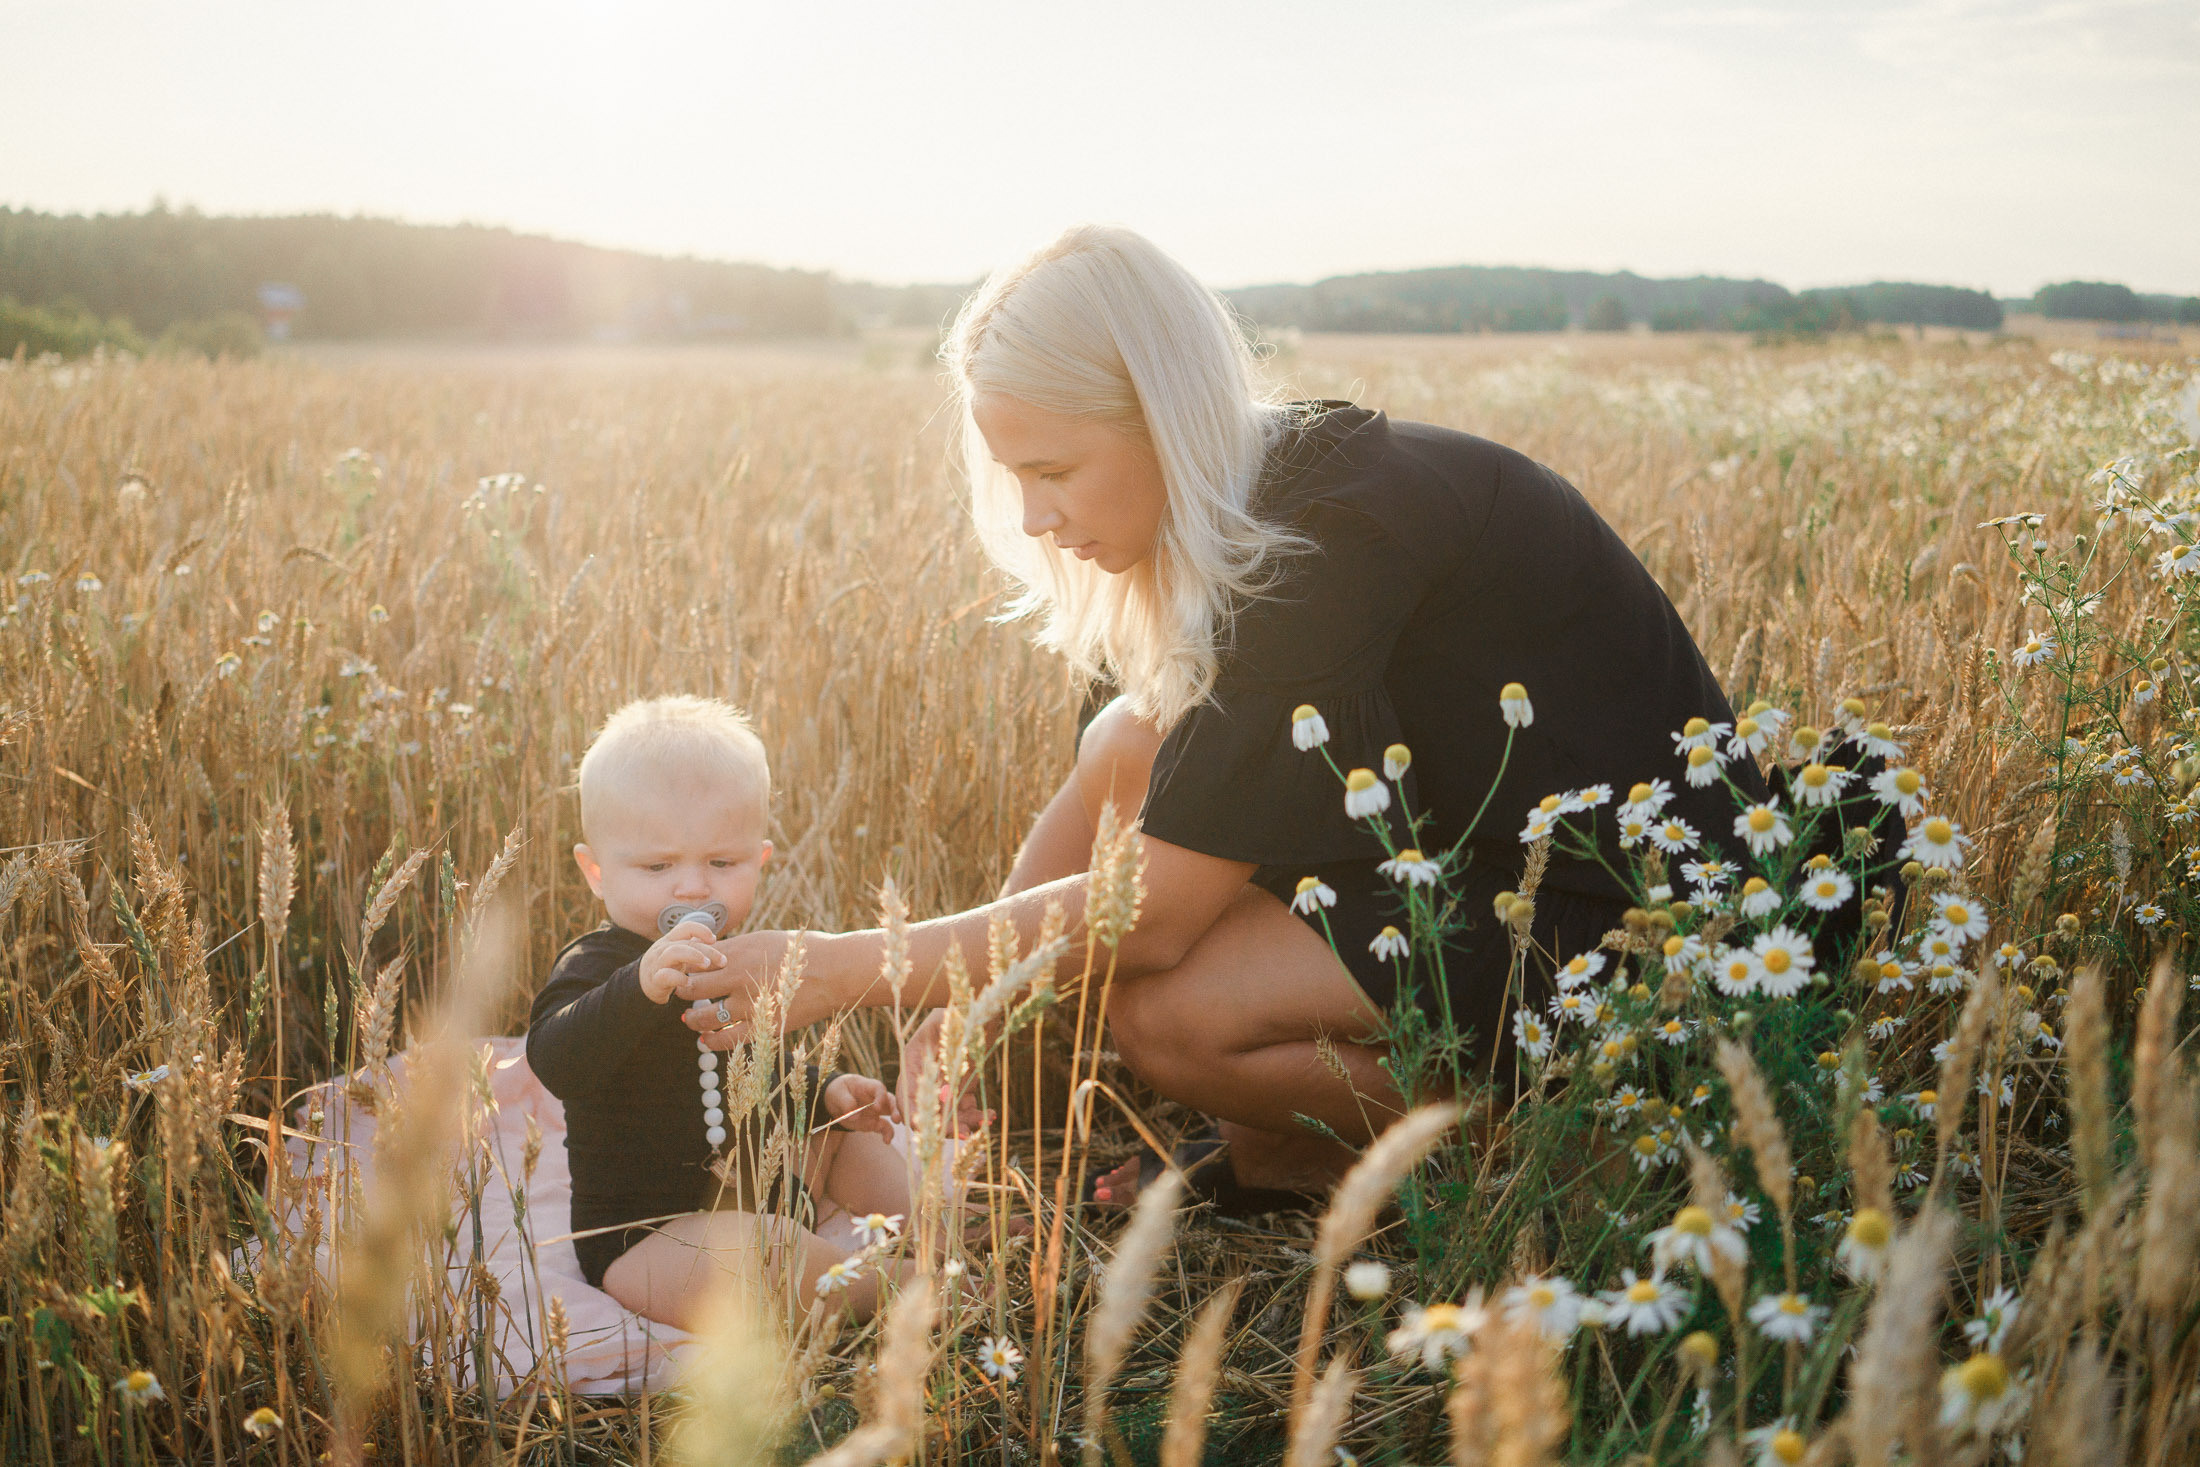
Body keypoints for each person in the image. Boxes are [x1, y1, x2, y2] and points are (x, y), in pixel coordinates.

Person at [676, 225, 1760, 1209]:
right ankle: (1285, 1158)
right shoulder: (1251, 499)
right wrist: (959, 1008)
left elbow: (1156, 911)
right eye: (1014, 477)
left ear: (1162, 416)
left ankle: (1567, 1136)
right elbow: (1134, 766)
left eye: (1053, 471)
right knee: (1129, 739)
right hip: (1451, 851)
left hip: (1624, 914)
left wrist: (852, 962)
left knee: (1166, 1012)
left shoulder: (1324, 540)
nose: (1035, 519)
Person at [526, 695, 914, 1328]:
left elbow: (761, 1068)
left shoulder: (740, 962)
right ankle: (900, 1288)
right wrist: (638, 986)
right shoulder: (598, 966)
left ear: (758, 862)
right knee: (762, 1256)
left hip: (765, 1189)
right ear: (596, 872)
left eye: (721, 863)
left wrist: (828, 1093)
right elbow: (556, 1060)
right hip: (652, 1240)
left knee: (850, 1146)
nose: (693, 888)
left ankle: (941, 1234)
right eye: (657, 866)